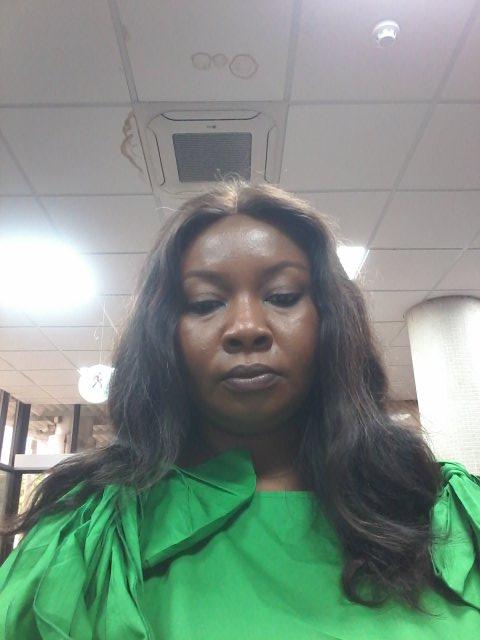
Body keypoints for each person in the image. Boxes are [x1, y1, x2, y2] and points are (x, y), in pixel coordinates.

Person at [0, 179, 479, 639]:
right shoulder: (86, 536)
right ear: (165, 335)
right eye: (205, 303)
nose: (246, 327)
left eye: (282, 297)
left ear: (329, 320)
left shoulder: (448, 513)